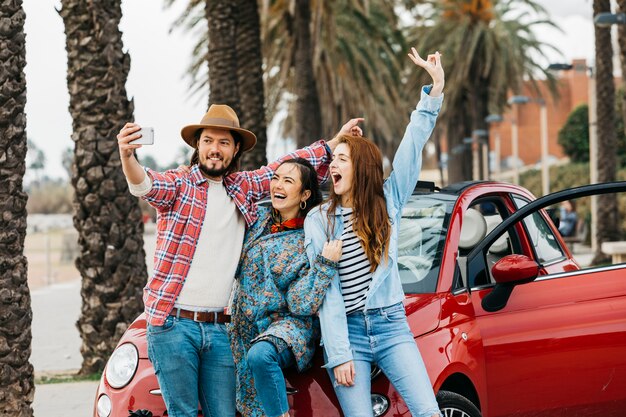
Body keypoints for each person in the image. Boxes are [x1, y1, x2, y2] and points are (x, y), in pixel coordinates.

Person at [116, 104, 358, 417]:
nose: (214, 149)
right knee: (185, 413)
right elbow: (147, 185)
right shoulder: (179, 186)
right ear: (197, 145)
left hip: (220, 328)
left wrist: (333, 143)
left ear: (236, 148)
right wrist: (126, 156)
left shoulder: (242, 188)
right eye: (207, 141)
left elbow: (287, 167)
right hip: (174, 325)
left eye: (223, 143)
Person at [304, 48, 444, 417]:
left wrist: (434, 90)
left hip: (391, 324)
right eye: (333, 160)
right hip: (347, 333)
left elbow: (411, 149)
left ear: (362, 168)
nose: (333, 165)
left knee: (428, 411)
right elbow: (326, 296)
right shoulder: (319, 221)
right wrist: (338, 354)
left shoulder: (388, 202)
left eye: (342, 160)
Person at [229, 158, 342, 417]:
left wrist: (325, 265)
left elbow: (302, 303)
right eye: (276, 178)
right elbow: (231, 188)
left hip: (291, 325)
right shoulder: (256, 219)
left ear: (304, 195)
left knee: (260, 355)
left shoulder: (311, 236)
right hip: (243, 325)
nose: (277, 185)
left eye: (288, 181)